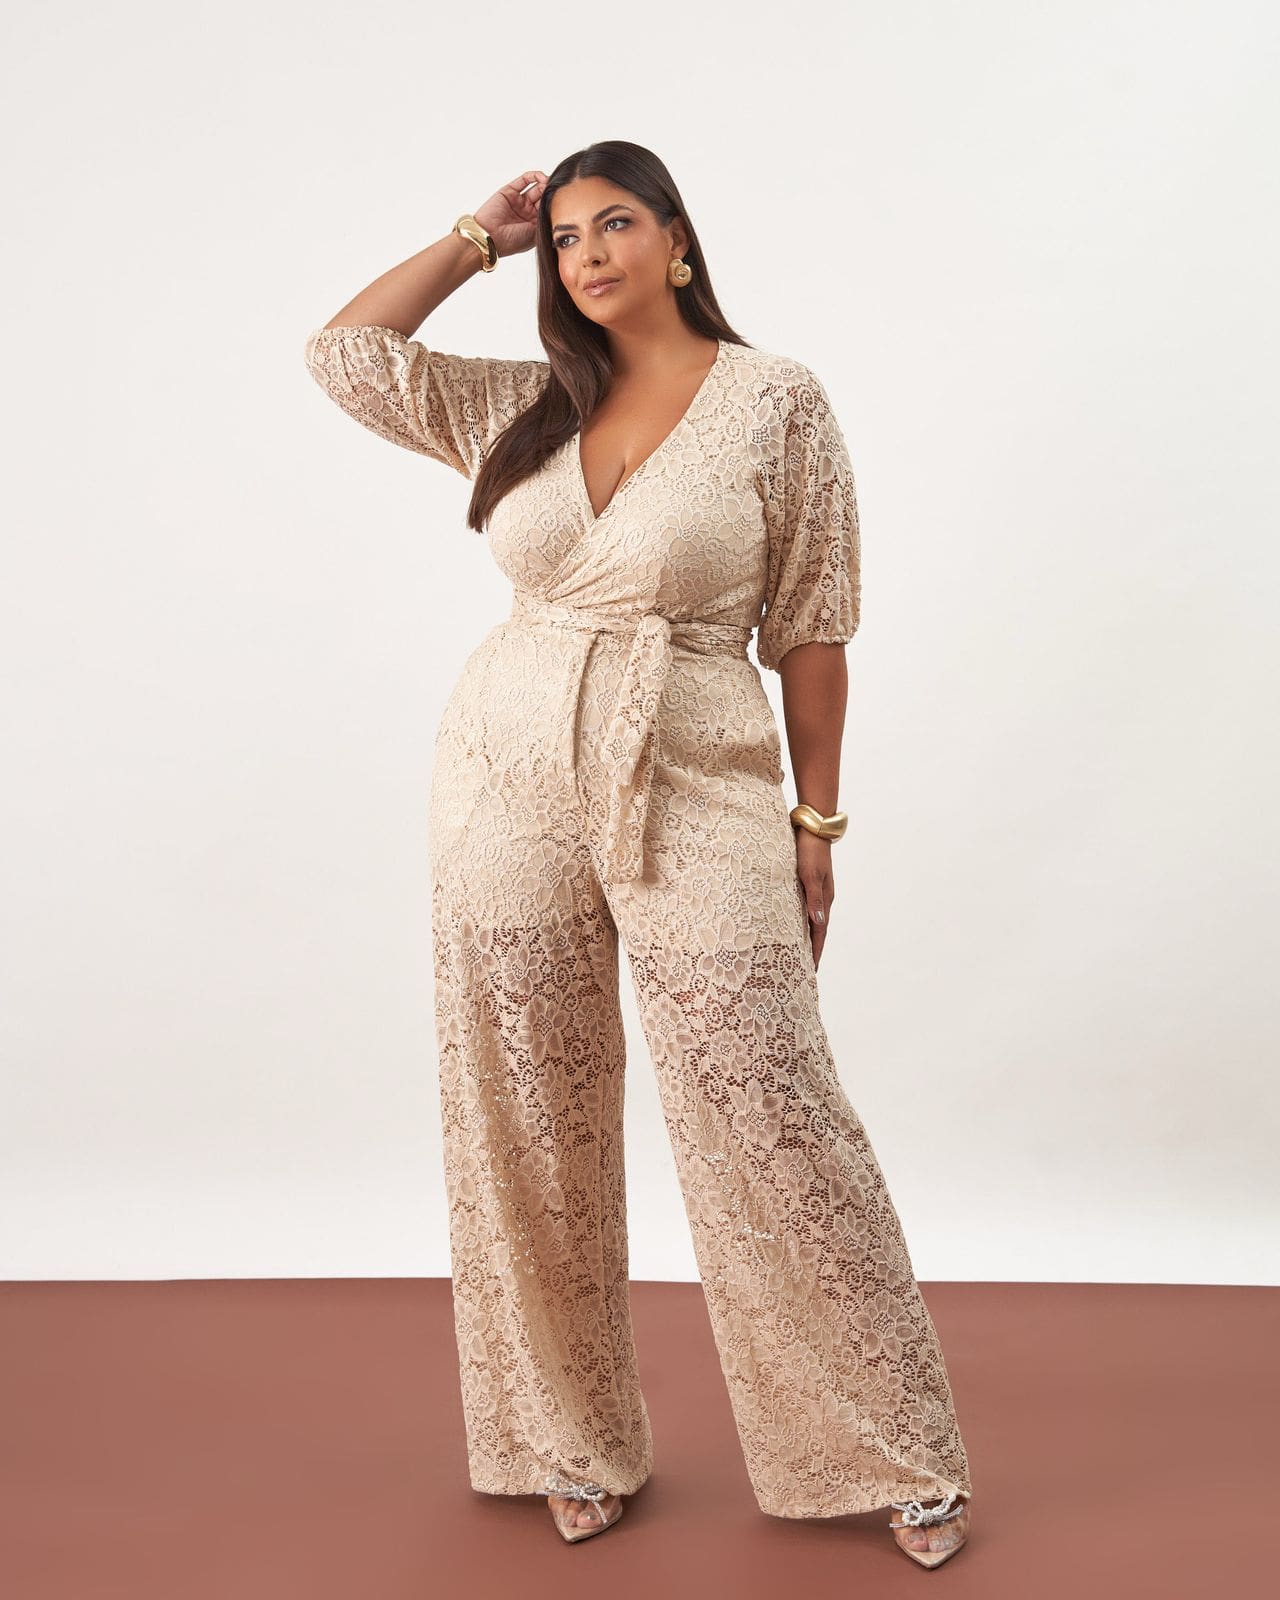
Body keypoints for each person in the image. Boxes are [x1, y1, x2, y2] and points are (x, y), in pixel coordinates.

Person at [303, 140, 973, 1570]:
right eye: (563, 238)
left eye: (614, 224)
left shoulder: (775, 402)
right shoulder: (529, 403)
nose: (587, 254)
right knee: (526, 1105)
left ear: (678, 239)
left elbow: (813, 624)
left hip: (697, 766)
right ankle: (569, 1440)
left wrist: (816, 821)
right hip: (506, 770)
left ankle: (892, 1451)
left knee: (767, 1096)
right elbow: (348, 358)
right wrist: (474, 238)